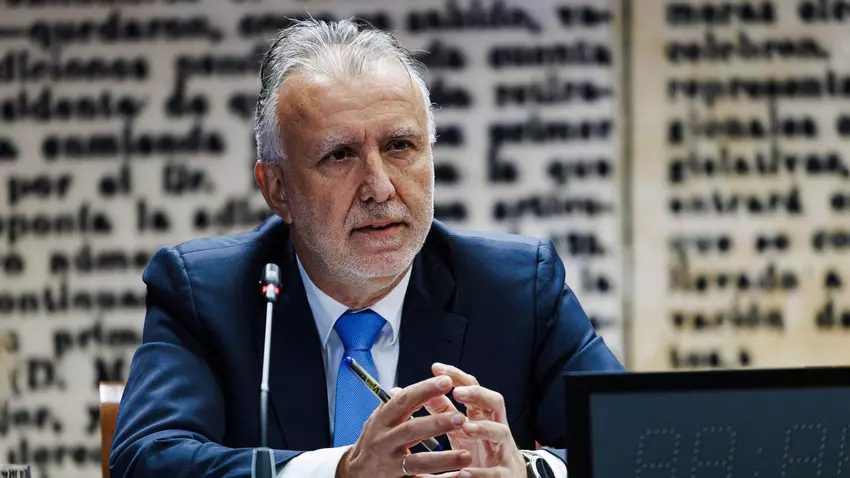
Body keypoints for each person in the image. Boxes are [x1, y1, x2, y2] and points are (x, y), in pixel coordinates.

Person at [110, 18, 623, 478]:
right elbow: (146, 460)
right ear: (277, 189)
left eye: (399, 146)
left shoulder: (518, 289)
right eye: (340, 155)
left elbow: (632, 442)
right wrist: (339, 472)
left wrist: (530, 472)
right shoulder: (206, 295)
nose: (379, 187)